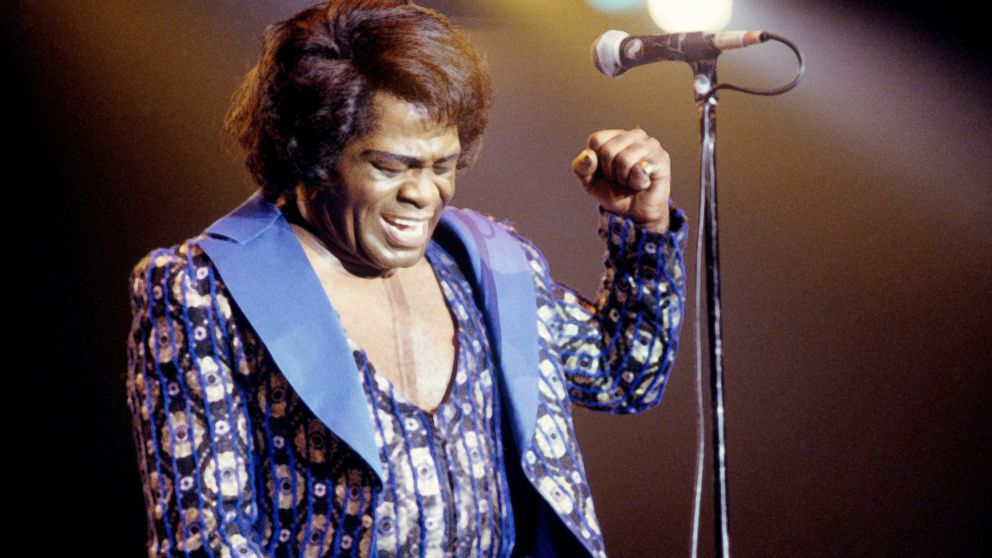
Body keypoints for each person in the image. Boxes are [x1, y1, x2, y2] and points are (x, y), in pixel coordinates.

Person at [125, 1, 688, 556]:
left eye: (441, 166)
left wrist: (641, 226)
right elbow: (204, 542)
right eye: (390, 167)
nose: (423, 193)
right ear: (312, 154)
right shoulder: (205, 291)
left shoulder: (489, 262)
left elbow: (623, 376)